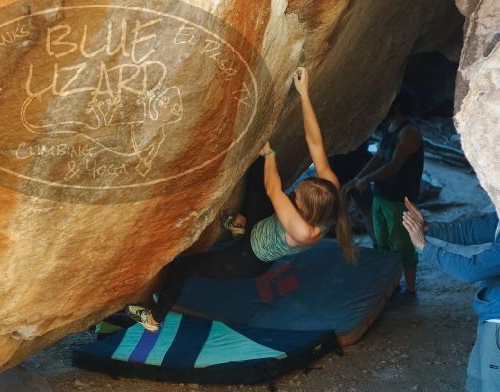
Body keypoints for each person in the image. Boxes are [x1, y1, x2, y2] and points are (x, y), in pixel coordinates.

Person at [126, 67, 356, 332]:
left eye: (298, 196)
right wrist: (304, 94)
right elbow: (315, 144)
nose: (295, 192)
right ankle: (240, 223)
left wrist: (269, 152)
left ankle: (154, 318)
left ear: (304, 209)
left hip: (251, 256)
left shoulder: (304, 231)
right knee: (258, 168)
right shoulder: (330, 193)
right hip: (262, 224)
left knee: (182, 268)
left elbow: (274, 190)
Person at [403, 199, 500, 392]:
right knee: (478, 385)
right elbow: (470, 231)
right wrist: (428, 227)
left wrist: (424, 246)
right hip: (492, 316)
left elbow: (473, 270)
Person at [345, 90, 423, 299]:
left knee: (402, 244)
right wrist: (357, 178)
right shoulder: (391, 128)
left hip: (400, 199)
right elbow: (379, 157)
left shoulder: (410, 133)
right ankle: (394, 284)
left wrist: (366, 179)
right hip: (381, 196)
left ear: (397, 105)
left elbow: (394, 165)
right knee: (383, 243)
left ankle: (410, 290)